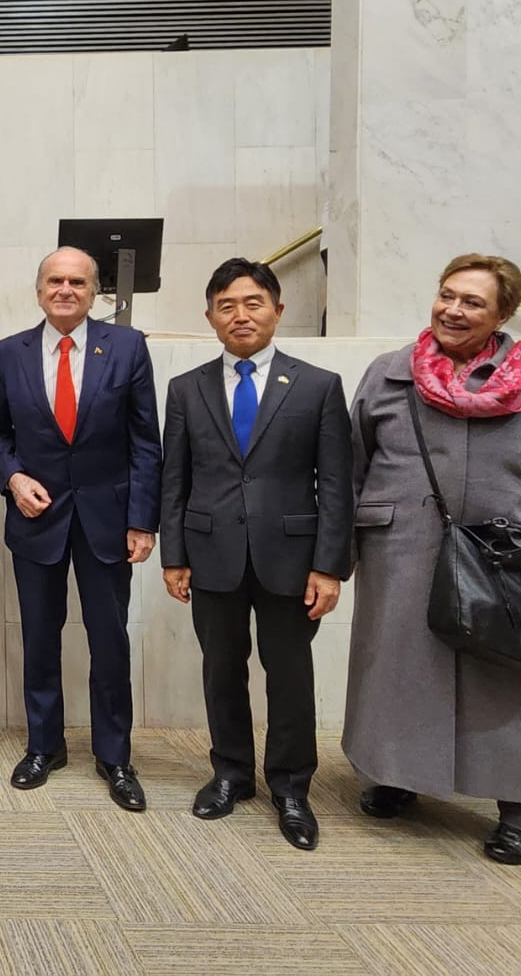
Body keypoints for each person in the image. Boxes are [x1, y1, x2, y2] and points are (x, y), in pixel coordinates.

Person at [344, 253, 521, 866]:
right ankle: (397, 772)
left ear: (504, 314)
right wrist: (337, 556)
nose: (453, 311)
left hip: (509, 556)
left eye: (472, 303)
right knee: (400, 666)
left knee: (504, 672)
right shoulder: (389, 374)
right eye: (447, 295)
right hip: (401, 546)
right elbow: (352, 466)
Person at [160, 258, 353, 850]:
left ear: (277, 309)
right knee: (221, 670)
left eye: (252, 303)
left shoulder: (318, 385)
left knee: (290, 675)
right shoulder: (186, 388)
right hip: (210, 551)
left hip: (291, 560)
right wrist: (174, 554)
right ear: (211, 316)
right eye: (227, 306)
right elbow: (175, 479)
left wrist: (329, 566)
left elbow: (337, 483)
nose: (240, 315)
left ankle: (291, 788)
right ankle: (231, 774)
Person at [0, 246, 160, 811]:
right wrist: (12, 478)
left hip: (107, 521)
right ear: (38, 292)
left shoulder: (128, 347)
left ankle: (115, 756)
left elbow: (144, 442)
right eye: (55, 281)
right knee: (40, 638)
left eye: (77, 282)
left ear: (94, 292)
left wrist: (141, 520)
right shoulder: (7, 354)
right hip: (37, 518)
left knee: (109, 642)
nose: (65, 290)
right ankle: (45, 746)